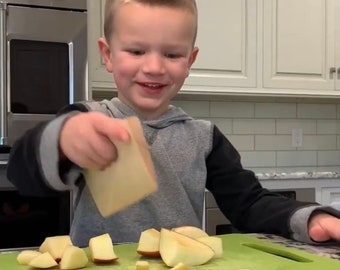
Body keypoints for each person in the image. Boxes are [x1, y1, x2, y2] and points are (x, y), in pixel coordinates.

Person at [6, 0, 340, 247]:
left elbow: (249, 203)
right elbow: (23, 176)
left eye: (171, 54)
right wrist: (62, 139)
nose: (154, 67)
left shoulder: (204, 138)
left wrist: (312, 219)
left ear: (190, 60)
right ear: (107, 55)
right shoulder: (86, 120)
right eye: (136, 51)